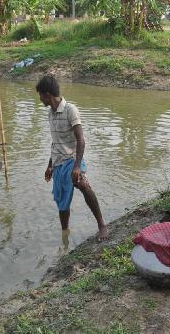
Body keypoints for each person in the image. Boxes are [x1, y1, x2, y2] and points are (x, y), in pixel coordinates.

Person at [36, 74, 109, 240]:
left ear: (47, 94)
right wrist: (50, 165)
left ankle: (102, 224)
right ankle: (65, 234)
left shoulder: (70, 110)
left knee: (83, 184)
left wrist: (77, 166)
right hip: (58, 162)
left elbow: (81, 141)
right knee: (62, 202)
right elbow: (56, 142)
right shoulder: (50, 113)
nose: (40, 99)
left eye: (40, 95)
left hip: (72, 160)